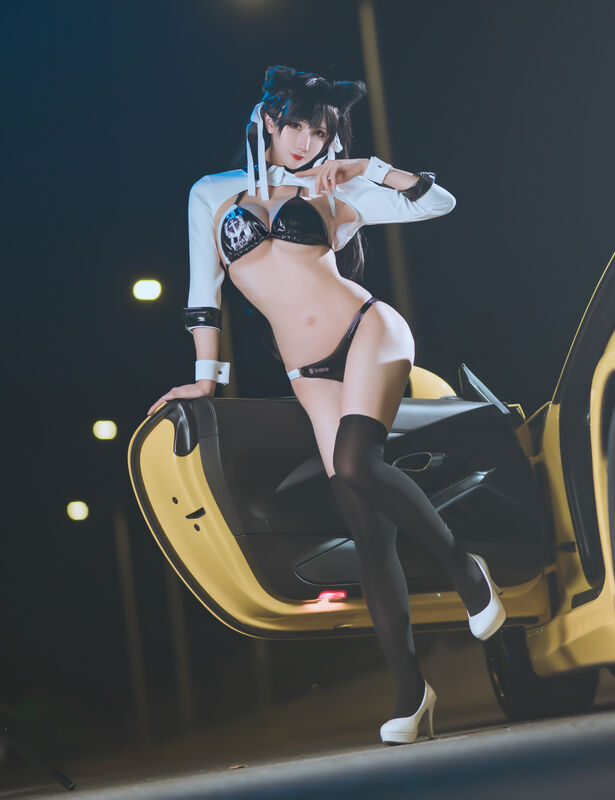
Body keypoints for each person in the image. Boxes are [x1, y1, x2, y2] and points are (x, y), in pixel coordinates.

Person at [147, 65, 505, 745]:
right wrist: (205, 379)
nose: (307, 143)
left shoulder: (338, 186)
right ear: (268, 121)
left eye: (320, 132)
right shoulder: (212, 194)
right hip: (306, 369)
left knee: (355, 463)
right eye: (296, 127)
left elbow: (438, 204)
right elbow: (203, 293)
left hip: (369, 329)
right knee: (366, 528)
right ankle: (412, 695)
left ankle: (467, 571)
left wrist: (371, 168)